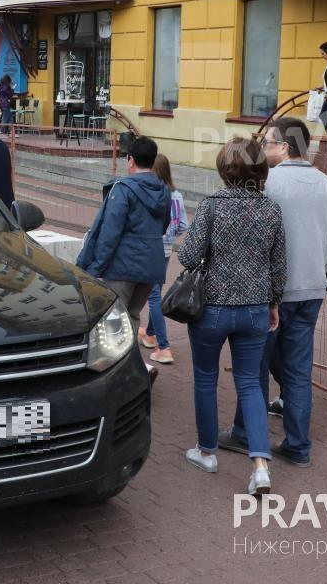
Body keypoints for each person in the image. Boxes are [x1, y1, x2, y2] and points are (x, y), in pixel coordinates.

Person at [222, 118, 327, 468]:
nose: (263, 150)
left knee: (255, 365)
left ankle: (245, 433)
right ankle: (298, 444)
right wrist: (314, 272)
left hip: (271, 293)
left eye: (268, 143)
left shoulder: (267, 183)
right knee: (298, 370)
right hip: (312, 290)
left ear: (285, 147)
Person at [177, 136, 285, 496]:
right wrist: (273, 303)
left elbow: (189, 257)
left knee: (206, 379)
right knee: (251, 384)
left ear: (225, 169)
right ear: (260, 170)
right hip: (255, 310)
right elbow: (278, 266)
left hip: (212, 308)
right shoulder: (270, 209)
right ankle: (260, 465)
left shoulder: (211, 206)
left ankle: (207, 452)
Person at [76, 137, 170, 335]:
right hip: (151, 266)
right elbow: (163, 226)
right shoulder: (163, 191)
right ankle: (130, 359)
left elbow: (109, 233)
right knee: (133, 315)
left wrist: (94, 267)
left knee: (114, 319)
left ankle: (117, 363)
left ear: (131, 160)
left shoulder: (122, 189)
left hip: (122, 267)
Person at [139, 154, 188, 365]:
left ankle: (164, 346)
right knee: (156, 291)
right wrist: (170, 236)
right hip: (167, 250)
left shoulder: (151, 194)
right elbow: (183, 225)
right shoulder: (176, 195)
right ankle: (149, 335)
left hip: (150, 250)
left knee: (154, 297)